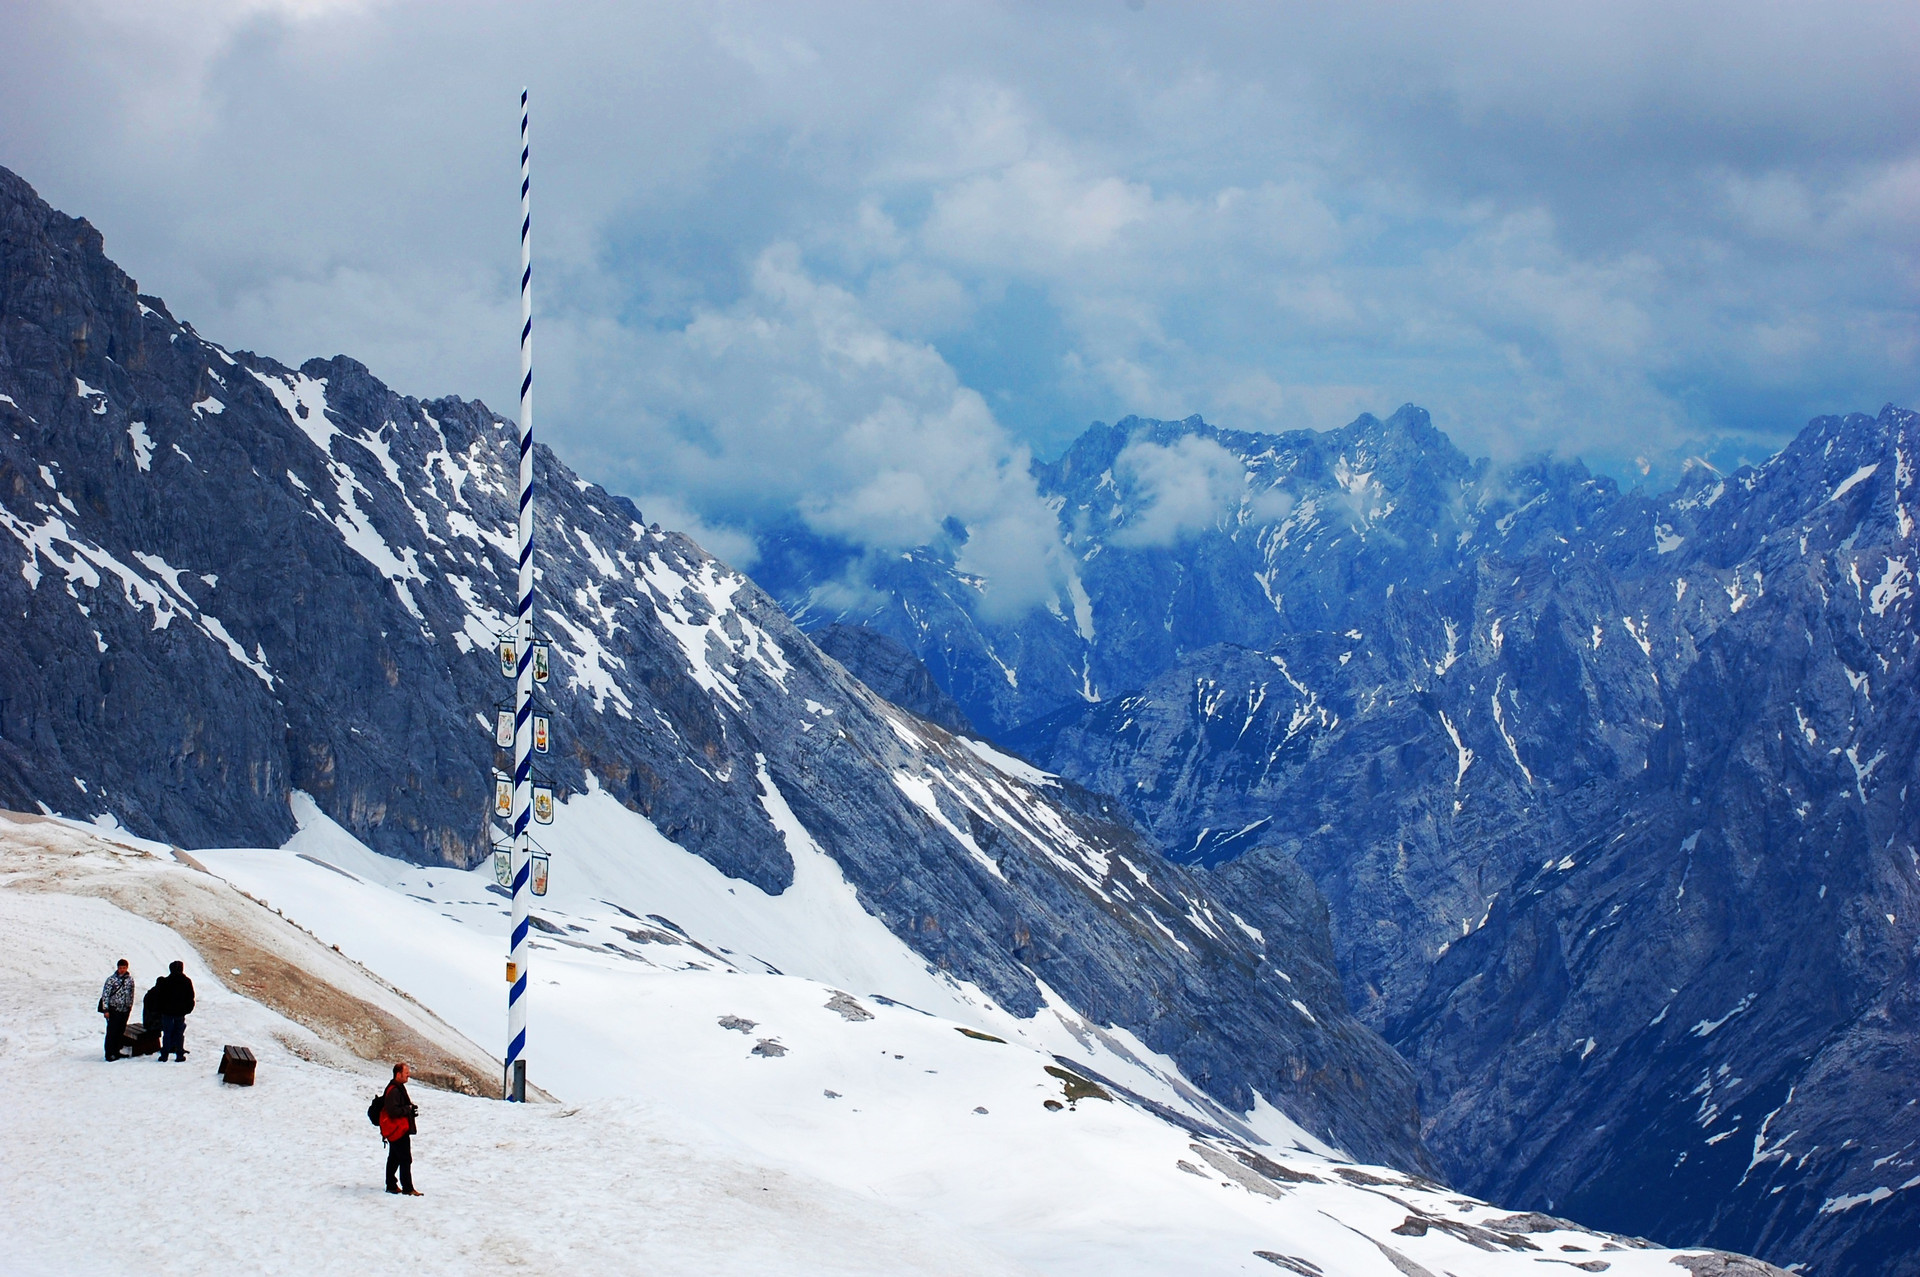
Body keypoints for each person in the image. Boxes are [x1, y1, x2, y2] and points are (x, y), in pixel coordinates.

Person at [379, 1061, 422, 1196]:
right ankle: (408, 1188)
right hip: (398, 1130)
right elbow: (393, 1111)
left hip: (395, 1130)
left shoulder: (395, 1088)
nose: (408, 1075)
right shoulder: (395, 1090)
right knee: (405, 1159)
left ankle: (391, 1185)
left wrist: (408, 1108)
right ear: (398, 1074)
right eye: (406, 1073)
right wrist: (407, 1109)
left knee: (394, 1158)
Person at [154, 960, 195, 1062]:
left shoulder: (166, 981)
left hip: (167, 1012)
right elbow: (190, 997)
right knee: (179, 1033)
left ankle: (164, 1055)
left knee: (167, 1033)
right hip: (180, 1012)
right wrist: (188, 1009)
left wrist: (161, 1009)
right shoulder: (186, 981)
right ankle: (179, 1055)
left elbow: (160, 997)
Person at [98, 959, 134, 1061]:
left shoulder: (130, 980)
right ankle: (109, 1053)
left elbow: (131, 993)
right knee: (112, 1032)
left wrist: (129, 1006)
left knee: (120, 1031)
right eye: (120, 968)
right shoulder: (111, 980)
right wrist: (106, 1010)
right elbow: (105, 995)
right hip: (114, 1009)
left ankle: (117, 1051)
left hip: (125, 1009)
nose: (122, 970)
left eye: (124, 968)